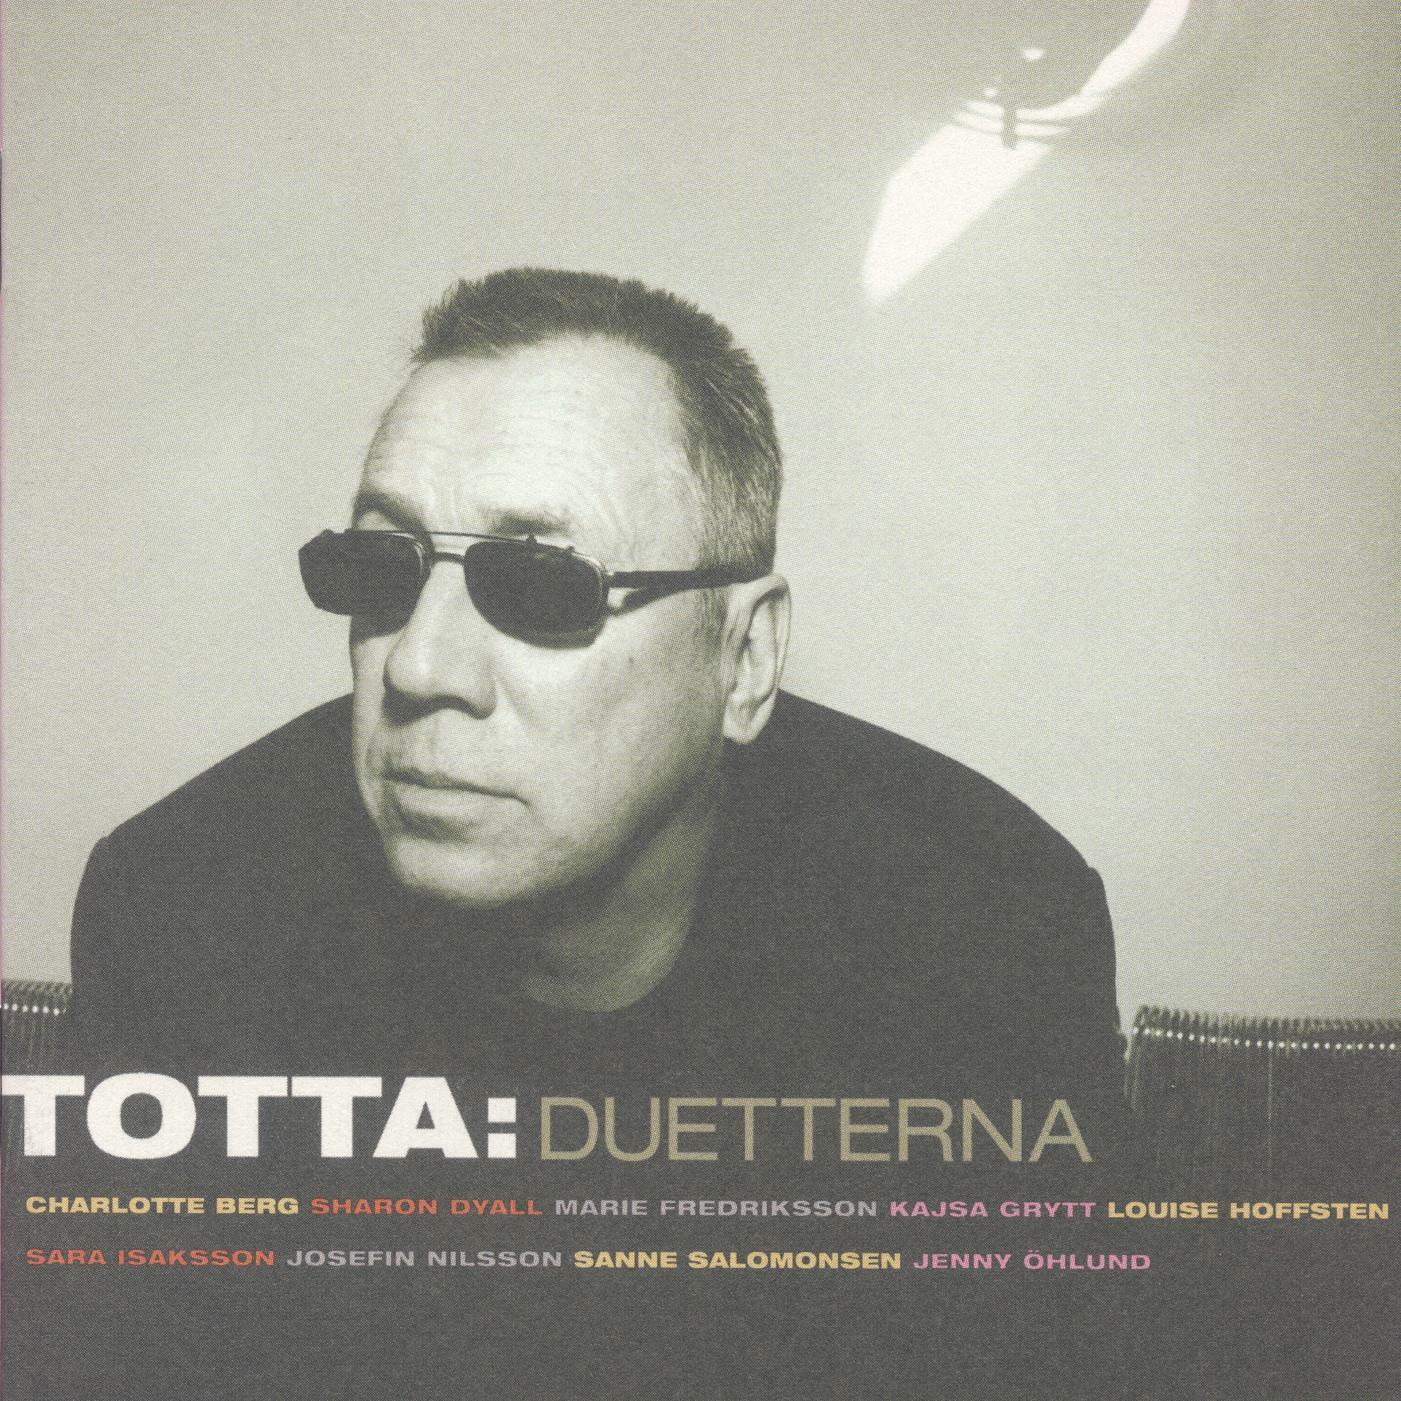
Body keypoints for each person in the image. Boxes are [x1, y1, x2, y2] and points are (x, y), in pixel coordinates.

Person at [31, 268, 1131, 1398]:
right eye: (379, 567)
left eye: (541, 584)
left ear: (742, 657)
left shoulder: (987, 926)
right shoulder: (186, 909)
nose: (418, 665)